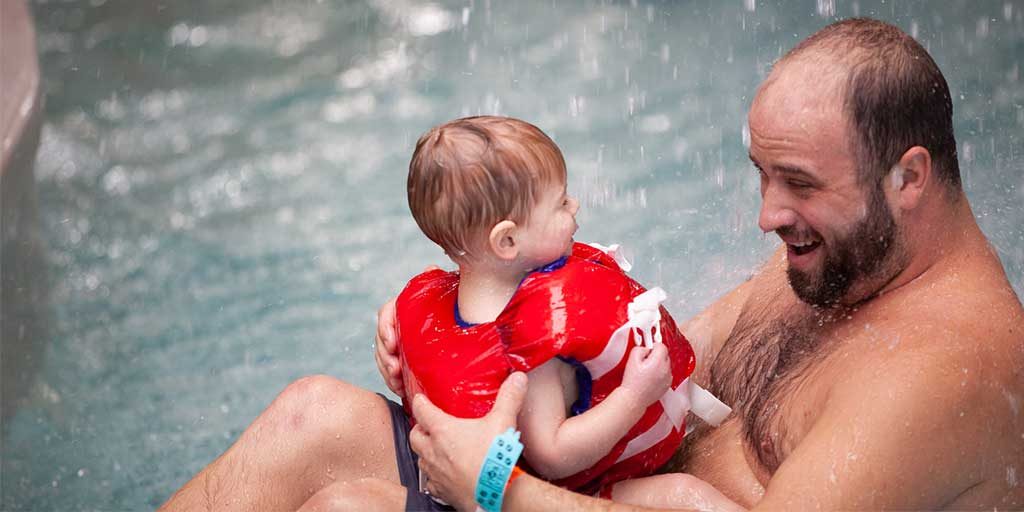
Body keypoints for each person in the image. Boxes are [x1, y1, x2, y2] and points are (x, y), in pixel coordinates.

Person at [160, 17, 1023, 512]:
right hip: (600, 491)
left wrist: (497, 487)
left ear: (908, 175)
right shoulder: (841, 263)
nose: (766, 216)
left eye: (796, 183)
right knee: (309, 417)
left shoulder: (949, 370)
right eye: (762, 176)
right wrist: (462, 348)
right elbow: (651, 371)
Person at [388, 115, 733, 509]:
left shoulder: (455, 302)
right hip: (560, 493)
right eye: (561, 203)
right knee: (687, 497)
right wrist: (634, 396)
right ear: (507, 240)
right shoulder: (532, 345)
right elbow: (552, 455)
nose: (575, 205)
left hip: (472, 474)